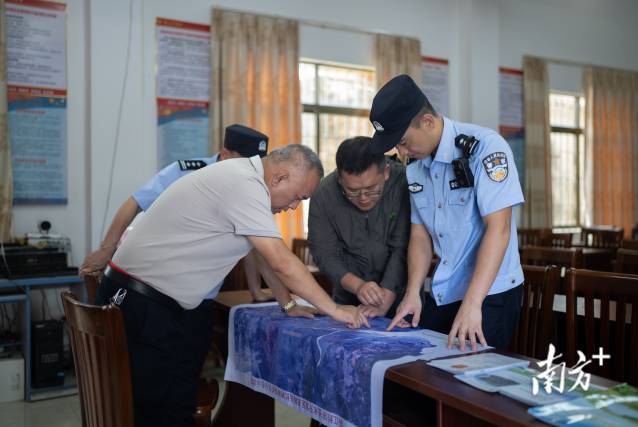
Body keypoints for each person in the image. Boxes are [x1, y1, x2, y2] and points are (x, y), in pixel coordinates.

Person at [95, 144, 368, 427]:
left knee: (173, 404)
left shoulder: (244, 178)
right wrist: (336, 310)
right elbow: (280, 261)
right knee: (162, 413)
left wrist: (287, 304)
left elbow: (264, 255)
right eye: (298, 197)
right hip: (142, 305)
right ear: (279, 178)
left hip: (141, 299)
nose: (293, 207)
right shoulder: (245, 185)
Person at [370, 74, 524, 352]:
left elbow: (498, 229)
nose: (401, 152)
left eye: (403, 142)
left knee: (472, 374)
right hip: (447, 289)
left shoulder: (485, 148)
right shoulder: (415, 166)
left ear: (428, 122)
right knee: (424, 363)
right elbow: (419, 234)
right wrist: (413, 292)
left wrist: (473, 303)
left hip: (490, 293)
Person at [80, 124, 272, 302]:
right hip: (157, 288)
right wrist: (106, 250)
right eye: (246, 163)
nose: (251, 171)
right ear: (224, 155)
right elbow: (135, 202)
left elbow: (251, 238)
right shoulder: (186, 172)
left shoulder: (249, 188)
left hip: (202, 296)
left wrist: (255, 290)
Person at [308, 136, 410, 319]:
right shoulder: (323, 194)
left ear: (386, 172)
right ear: (340, 179)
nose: (363, 198)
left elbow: (402, 247)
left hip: (402, 299)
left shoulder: (404, 183)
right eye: (352, 191)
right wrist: (358, 286)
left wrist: (386, 295)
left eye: (371, 189)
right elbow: (324, 253)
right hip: (348, 299)